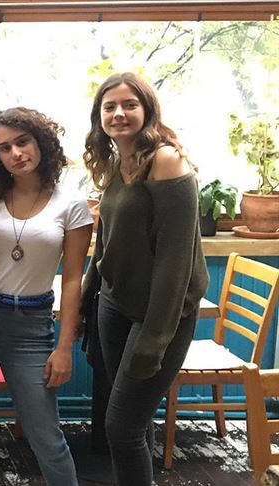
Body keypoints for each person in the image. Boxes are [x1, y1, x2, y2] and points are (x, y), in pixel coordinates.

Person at [0, 107, 92, 486]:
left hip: (30, 327)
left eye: (23, 142)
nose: (15, 153)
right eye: (4, 147)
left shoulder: (71, 205)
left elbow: (72, 280)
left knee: (45, 434)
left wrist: (64, 348)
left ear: (41, 142)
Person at [81, 72, 208, 486]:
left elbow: (176, 260)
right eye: (109, 107)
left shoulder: (166, 160)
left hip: (158, 314)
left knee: (121, 427)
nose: (118, 113)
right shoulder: (118, 162)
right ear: (99, 116)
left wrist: (155, 338)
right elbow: (106, 241)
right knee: (134, 422)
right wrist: (86, 298)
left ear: (147, 110)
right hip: (114, 304)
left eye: (129, 104)